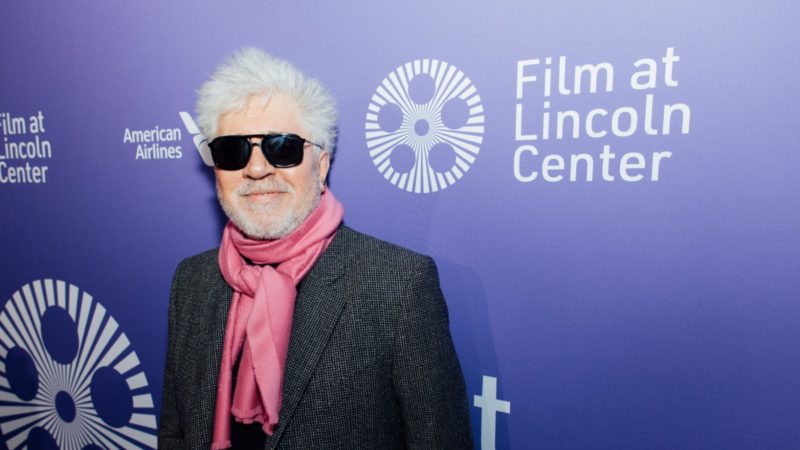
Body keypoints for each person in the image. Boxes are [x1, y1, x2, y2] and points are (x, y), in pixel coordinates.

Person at [157, 48, 472, 449]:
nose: (256, 169)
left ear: (321, 166)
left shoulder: (398, 286)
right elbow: (175, 434)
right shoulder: (192, 281)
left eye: (282, 147)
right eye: (233, 150)